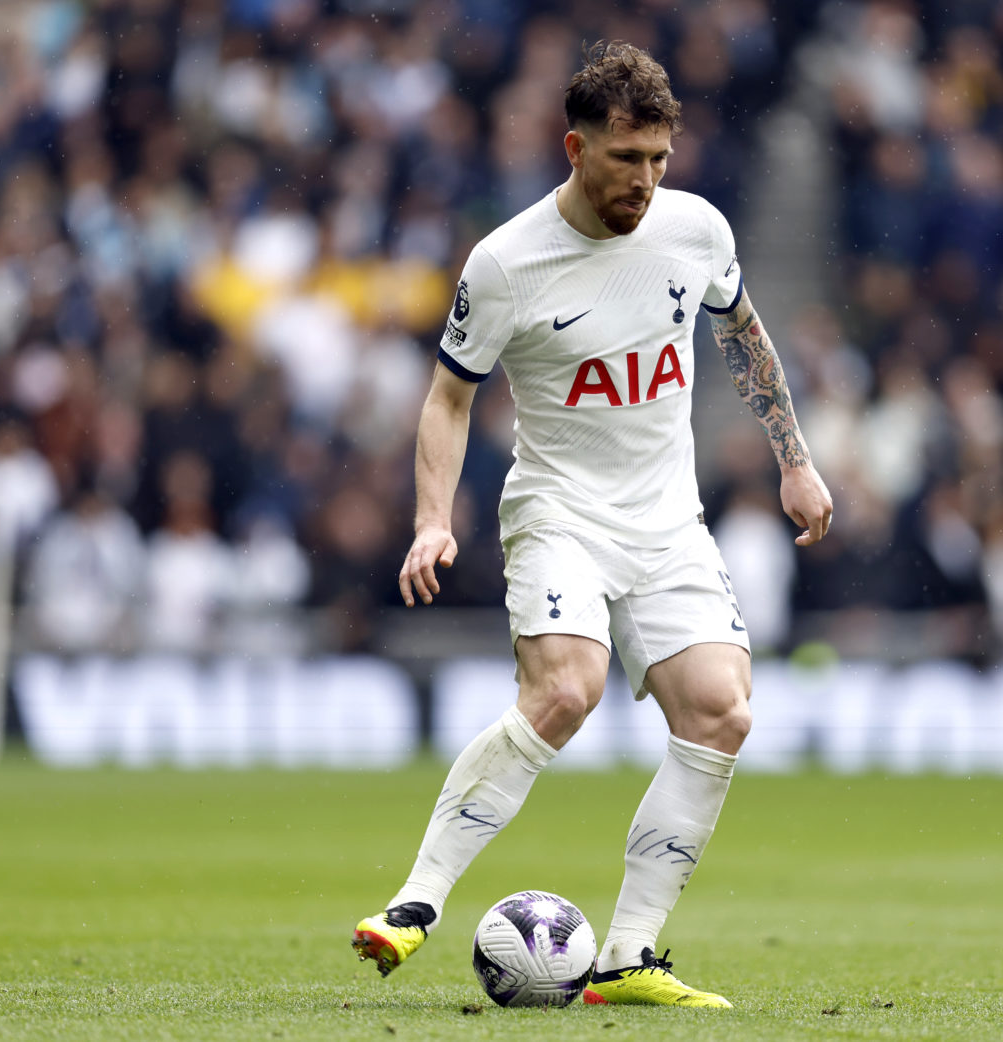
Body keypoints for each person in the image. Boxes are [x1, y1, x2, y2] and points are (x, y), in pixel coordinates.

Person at [354, 41, 833, 1009]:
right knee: (566, 690)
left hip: (667, 520)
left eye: (660, 159)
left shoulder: (696, 229)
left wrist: (795, 458)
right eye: (627, 159)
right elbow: (448, 399)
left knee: (722, 709)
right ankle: (416, 901)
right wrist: (429, 521)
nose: (647, 181)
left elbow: (742, 334)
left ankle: (629, 956)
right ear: (576, 147)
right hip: (561, 511)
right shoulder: (506, 262)